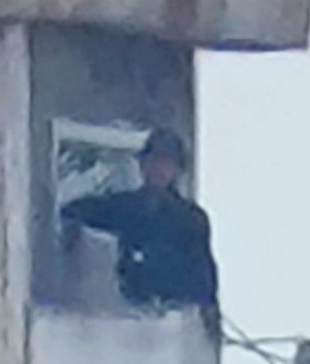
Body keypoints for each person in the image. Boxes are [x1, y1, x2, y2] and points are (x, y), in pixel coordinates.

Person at [61, 127, 218, 316]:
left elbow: (204, 280)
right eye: (153, 161)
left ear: (177, 170)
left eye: (166, 163)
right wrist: (71, 234)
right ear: (142, 165)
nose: (158, 169)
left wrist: (206, 318)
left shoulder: (192, 219)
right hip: (131, 312)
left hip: (173, 320)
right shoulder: (126, 207)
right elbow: (76, 210)